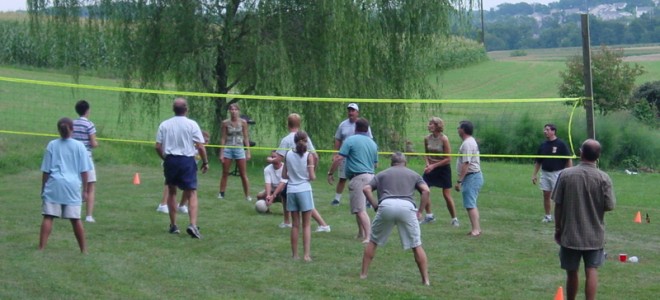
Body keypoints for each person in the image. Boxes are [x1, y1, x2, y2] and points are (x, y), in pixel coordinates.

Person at [552, 139, 615, 300]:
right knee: (592, 269)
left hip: (570, 233)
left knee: (572, 271)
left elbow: (557, 204)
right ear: (598, 156)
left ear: (581, 153)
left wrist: (558, 228)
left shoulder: (566, 175)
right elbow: (609, 205)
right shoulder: (603, 178)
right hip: (594, 234)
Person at [360, 152, 430, 285]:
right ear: (405, 162)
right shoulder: (414, 174)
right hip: (407, 207)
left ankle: (363, 274)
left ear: (391, 163)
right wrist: (420, 211)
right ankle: (425, 280)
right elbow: (426, 191)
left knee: (373, 240)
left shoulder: (382, 174)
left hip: (386, 205)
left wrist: (375, 206)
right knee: (416, 244)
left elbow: (366, 189)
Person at [155, 97, 209, 239]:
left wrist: (165, 158)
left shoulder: (164, 124)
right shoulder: (192, 124)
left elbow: (157, 146)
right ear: (186, 109)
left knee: (172, 192)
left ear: (173, 109)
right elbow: (200, 146)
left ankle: (173, 225)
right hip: (186, 160)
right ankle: (192, 224)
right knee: (191, 193)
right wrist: (205, 162)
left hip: (171, 159)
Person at [39, 117, 92, 253]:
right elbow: (85, 171)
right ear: (72, 129)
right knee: (75, 219)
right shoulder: (80, 146)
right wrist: (85, 190)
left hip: (54, 184)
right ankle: (84, 250)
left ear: (58, 130)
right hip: (72, 186)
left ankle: (42, 247)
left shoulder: (52, 145)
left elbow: (46, 170)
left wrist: (43, 188)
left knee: (48, 216)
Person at [273, 114, 331, 232]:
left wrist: (270, 160)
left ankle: (323, 224)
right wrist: (312, 172)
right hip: (302, 177)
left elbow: (278, 159)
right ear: (299, 124)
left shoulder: (286, 140)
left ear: (288, 124)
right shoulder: (306, 138)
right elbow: (315, 156)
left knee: (306, 205)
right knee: (285, 195)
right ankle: (286, 221)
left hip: (294, 178)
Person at [327, 118, 378, 243]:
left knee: (360, 210)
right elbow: (375, 164)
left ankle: (368, 236)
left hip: (358, 177)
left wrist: (330, 172)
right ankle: (360, 233)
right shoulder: (373, 143)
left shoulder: (350, 140)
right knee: (358, 207)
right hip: (371, 177)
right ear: (367, 129)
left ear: (355, 128)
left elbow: (339, 158)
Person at [330, 103, 373, 206]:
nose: (350, 112)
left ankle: (368, 201)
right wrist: (335, 153)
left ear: (357, 112)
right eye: (349, 110)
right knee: (342, 178)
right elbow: (338, 139)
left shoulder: (362, 125)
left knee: (362, 177)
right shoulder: (343, 125)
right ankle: (337, 199)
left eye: (353, 110)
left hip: (359, 156)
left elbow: (369, 140)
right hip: (345, 155)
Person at [282, 131, 316, 261]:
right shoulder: (308, 156)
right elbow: (312, 177)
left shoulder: (288, 154)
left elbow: (284, 175)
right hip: (304, 190)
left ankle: (295, 254)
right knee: (306, 225)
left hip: (291, 190)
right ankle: (306, 255)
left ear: (294, 141)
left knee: (295, 225)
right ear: (306, 141)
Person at [157, 131, 210, 214]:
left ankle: (181, 205)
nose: (205, 143)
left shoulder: (201, 150)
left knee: (189, 186)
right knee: (170, 184)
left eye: (207, 141)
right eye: (204, 140)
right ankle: (163, 205)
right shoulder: (190, 147)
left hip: (188, 168)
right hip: (175, 165)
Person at [421, 117, 459, 227]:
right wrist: (428, 164)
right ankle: (429, 216)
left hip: (443, 168)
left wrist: (434, 165)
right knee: (424, 190)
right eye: (429, 123)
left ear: (437, 126)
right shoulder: (427, 138)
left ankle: (454, 219)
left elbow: (448, 158)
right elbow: (426, 154)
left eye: (431, 124)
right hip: (431, 167)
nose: (428, 125)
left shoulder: (444, 139)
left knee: (446, 194)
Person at [532, 123, 573, 223]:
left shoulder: (561, 144)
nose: (545, 131)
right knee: (546, 194)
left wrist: (570, 173)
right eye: (544, 130)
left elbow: (568, 159)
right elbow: (538, 161)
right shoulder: (543, 145)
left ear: (553, 131)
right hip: (545, 173)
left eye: (547, 129)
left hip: (557, 173)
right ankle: (548, 216)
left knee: (559, 197)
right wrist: (534, 174)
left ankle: (562, 216)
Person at [454, 120, 484, 237]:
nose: (457, 130)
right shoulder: (469, 142)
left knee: (470, 204)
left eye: (458, 128)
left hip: (472, 176)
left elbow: (466, 163)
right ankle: (477, 228)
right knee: (471, 203)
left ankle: (475, 230)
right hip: (473, 177)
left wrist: (459, 181)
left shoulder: (467, 143)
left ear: (463, 130)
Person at [218, 103, 251, 201]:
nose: (233, 111)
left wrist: (248, 151)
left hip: (239, 148)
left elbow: (246, 137)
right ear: (229, 111)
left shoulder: (243, 122)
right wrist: (222, 152)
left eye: (235, 109)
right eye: (232, 109)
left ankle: (247, 195)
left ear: (238, 111)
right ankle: (221, 193)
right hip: (228, 148)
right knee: (225, 172)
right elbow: (223, 138)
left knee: (243, 174)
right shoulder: (225, 123)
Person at [72, 100, 98, 223]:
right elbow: (93, 143)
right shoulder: (89, 125)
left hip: (73, 157)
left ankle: (73, 212)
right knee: (90, 186)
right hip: (86, 157)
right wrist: (96, 144)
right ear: (87, 110)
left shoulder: (72, 123)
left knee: (76, 185)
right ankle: (88, 216)